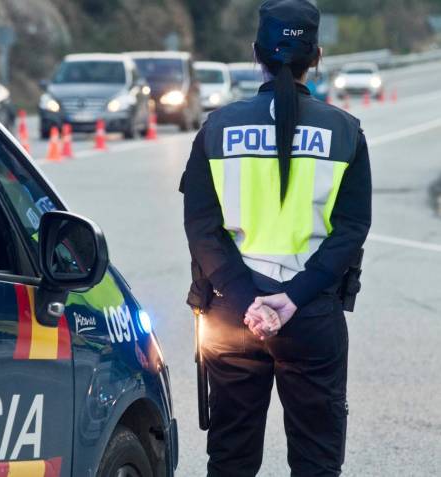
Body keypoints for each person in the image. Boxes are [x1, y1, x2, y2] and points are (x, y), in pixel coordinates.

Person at [181, 0, 372, 476]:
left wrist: (247, 299)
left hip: (232, 313)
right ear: (317, 57)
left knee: (231, 458)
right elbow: (351, 229)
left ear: (255, 54)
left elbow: (201, 227)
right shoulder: (345, 132)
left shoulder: (217, 128)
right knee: (316, 461)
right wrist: (292, 298)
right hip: (311, 313)